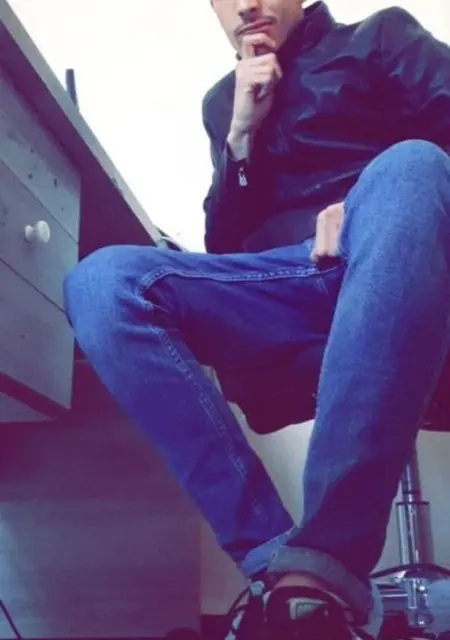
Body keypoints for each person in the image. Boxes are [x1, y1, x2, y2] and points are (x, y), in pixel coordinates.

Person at [64, 0, 450, 638]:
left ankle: (326, 564)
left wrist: (367, 200)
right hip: (283, 284)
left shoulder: (381, 37)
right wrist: (240, 136)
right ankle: (280, 574)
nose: (244, 3)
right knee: (102, 281)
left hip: (401, 260)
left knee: (411, 165)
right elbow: (227, 249)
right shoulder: (225, 101)